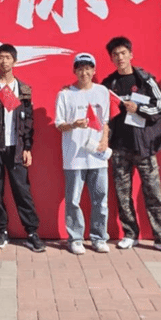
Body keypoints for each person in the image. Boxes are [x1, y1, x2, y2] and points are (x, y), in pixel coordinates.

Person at [101, 37, 161, 254]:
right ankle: (130, 234)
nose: (120, 57)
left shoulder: (145, 80)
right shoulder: (108, 84)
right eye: (115, 54)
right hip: (119, 147)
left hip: (145, 147)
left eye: (123, 53)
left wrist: (139, 109)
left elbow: (160, 107)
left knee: (153, 193)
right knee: (122, 194)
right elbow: (98, 107)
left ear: (131, 55)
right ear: (111, 58)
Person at [0, 44, 45, 252]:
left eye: (8, 57)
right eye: (1, 57)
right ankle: (1, 231)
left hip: (16, 148)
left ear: (15, 61)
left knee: (22, 191)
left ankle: (32, 233)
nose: (4, 61)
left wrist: (28, 147)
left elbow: (29, 121)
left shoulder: (23, 89)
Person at [54, 53, 111, 254]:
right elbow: (59, 124)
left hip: (97, 156)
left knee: (100, 200)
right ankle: (75, 238)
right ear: (74, 71)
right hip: (74, 158)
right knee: (73, 201)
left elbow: (105, 121)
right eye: (80, 69)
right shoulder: (65, 94)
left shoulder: (102, 91)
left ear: (94, 71)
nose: (84, 73)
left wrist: (104, 140)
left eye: (88, 69)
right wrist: (73, 125)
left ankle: (99, 238)